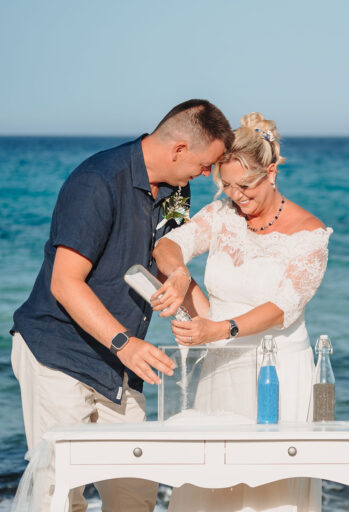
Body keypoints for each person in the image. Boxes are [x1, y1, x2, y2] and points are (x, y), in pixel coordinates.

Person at [10, 99, 233, 512]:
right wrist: (125, 343)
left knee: (135, 496)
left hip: (120, 367)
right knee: (58, 495)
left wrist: (215, 326)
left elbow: (168, 251)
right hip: (60, 356)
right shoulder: (97, 181)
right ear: (179, 149)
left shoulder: (178, 189)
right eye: (206, 165)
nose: (208, 175)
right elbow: (64, 282)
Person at [152, 112, 332, 512]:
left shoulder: (309, 234)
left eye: (246, 185)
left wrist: (217, 330)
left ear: (271, 172)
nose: (238, 196)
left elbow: (283, 308)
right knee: (213, 487)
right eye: (228, 186)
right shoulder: (221, 218)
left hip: (278, 373)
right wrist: (181, 277)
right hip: (220, 366)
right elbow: (167, 246)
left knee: (271, 495)